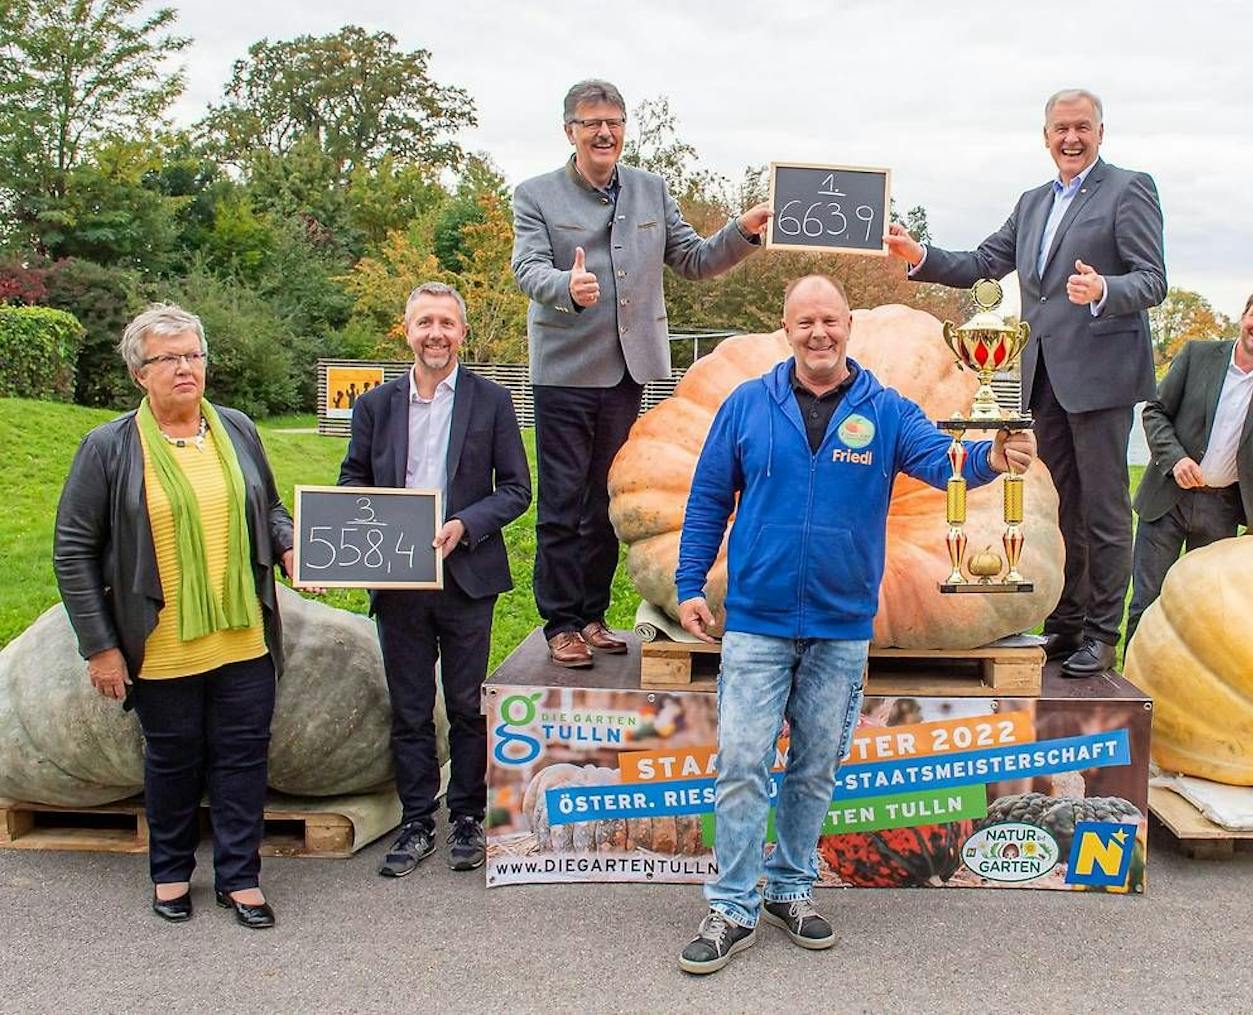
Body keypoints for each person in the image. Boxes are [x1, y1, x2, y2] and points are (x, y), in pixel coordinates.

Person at [672, 275, 1036, 974]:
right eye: (805, 321)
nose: (819, 333)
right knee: (744, 762)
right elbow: (708, 497)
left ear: (847, 327)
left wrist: (992, 456)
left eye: (830, 320)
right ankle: (732, 907)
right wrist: (691, 583)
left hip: (842, 625)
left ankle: (791, 888)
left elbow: (942, 461)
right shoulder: (747, 404)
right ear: (786, 330)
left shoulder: (886, 409)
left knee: (813, 767)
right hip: (756, 619)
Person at [884, 87, 1166, 678]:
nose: (1071, 138)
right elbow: (985, 263)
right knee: (1060, 505)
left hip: (1102, 376)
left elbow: (1152, 279)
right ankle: (1064, 625)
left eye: (1082, 128)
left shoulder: (1128, 188)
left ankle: (1101, 633)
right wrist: (921, 256)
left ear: (1100, 133)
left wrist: (1106, 291)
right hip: (1041, 379)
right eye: (1061, 128)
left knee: (1104, 510)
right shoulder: (1032, 202)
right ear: (1045, 136)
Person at [510, 78, 771, 669]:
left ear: (625, 128)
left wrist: (744, 232)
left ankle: (593, 615)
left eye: (615, 121)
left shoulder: (651, 191)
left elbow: (695, 260)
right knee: (562, 501)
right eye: (591, 122)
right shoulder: (536, 195)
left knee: (608, 496)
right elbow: (527, 268)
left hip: (629, 372)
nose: (605, 132)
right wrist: (565, 287)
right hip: (565, 370)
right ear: (570, 131)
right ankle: (560, 621)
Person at [53, 303, 294, 929]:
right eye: (169, 359)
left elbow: (268, 507)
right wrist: (100, 647)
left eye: (193, 355)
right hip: (160, 644)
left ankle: (240, 879)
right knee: (171, 760)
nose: (185, 368)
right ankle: (170, 873)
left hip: (243, 637)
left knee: (244, 760)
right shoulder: (108, 447)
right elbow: (73, 550)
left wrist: (289, 542)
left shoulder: (236, 429)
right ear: (140, 373)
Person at [339, 282, 532, 878]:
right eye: (425, 322)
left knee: (467, 704)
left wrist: (463, 525)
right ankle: (418, 817)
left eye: (447, 323)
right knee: (411, 705)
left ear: (462, 333)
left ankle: (467, 817)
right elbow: (353, 480)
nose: (436, 334)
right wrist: (350, 526)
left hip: (466, 576)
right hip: (398, 578)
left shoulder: (492, 402)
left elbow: (517, 490)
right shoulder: (377, 406)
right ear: (407, 332)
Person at [1127, 283, 1253, 653]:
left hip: (1223, 507)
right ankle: (1133, 685)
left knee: (1204, 610)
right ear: (1243, 316)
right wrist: (1176, 458)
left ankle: (1185, 692)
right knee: (1146, 601)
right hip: (1168, 498)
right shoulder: (1198, 355)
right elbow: (1155, 411)